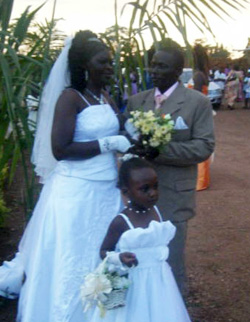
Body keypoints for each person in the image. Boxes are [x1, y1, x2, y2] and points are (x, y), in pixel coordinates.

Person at [0, 30, 132, 321]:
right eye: (103, 62)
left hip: (106, 191)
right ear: (86, 65)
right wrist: (109, 144)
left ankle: (105, 313)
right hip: (76, 193)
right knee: (73, 257)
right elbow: (60, 148)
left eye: (111, 61)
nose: (110, 67)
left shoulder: (104, 97)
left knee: (104, 255)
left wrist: (130, 137)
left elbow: (115, 131)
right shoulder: (70, 98)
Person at [127, 41, 215, 294]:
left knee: (170, 259)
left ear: (178, 71)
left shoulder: (196, 103)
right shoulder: (136, 102)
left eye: (162, 66)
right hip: (135, 196)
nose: (154, 71)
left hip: (173, 194)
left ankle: (175, 309)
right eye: (152, 65)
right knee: (139, 257)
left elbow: (204, 147)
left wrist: (161, 151)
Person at [90, 157, 191, 322]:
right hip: (134, 283)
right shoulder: (121, 221)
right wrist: (119, 258)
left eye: (155, 187)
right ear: (126, 191)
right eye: (144, 189)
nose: (153, 193)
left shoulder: (156, 211)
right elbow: (103, 251)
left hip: (160, 280)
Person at [192, 44, 213, 192]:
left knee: (197, 143)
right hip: (203, 110)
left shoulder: (198, 75)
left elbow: (197, 96)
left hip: (197, 111)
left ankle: (200, 180)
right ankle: (201, 178)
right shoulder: (203, 73)